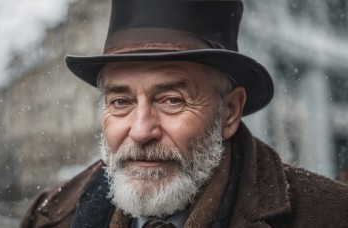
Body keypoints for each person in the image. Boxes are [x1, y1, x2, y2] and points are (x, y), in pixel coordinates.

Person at [21, 0, 348, 227]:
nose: (140, 130)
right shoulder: (50, 217)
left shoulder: (331, 216)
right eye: (121, 102)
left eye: (171, 100)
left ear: (229, 112)